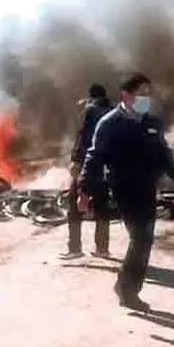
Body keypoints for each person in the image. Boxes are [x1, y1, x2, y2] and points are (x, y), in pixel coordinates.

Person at [79, 73, 174, 311]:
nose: (146, 99)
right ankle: (127, 290)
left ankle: (126, 286)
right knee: (140, 237)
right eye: (141, 94)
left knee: (145, 240)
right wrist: (84, 191)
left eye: (148, 94)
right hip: (123, 188)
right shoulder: (109, 123)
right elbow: (94, 157)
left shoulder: (152, 123)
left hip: (147, 186)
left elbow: (163, 152)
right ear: (126, 95)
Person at [61, 83, 113, 260]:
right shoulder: (114, 113)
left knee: (74, 206)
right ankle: (102, 248)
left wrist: (76, 160)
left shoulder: (90, 111)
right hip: (106, 168)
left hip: (87, 165)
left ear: (92, 97)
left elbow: (82, 138)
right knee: (101, 207)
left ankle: (74, 249)